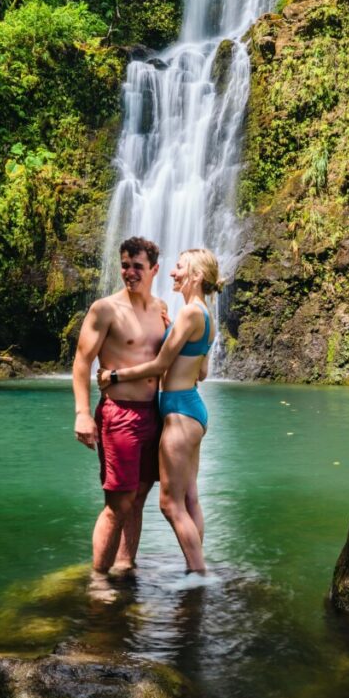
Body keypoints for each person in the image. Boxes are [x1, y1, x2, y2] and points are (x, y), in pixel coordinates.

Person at [98, 248, 222, 575]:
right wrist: (173, 333)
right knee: (190, 498)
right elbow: (203, 372)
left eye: (179, 267)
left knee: (170, 504)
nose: (172, 273)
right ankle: (196, 570)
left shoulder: (189, 315)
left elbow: (160, 364)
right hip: (192, 410)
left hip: (179, 413)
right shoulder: (204, 316)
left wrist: (115, 375)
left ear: (195, 276)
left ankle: (199, 575)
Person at [72, 236, 168, 578]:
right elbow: (82, 362)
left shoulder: (161, 310)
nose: (130, 273)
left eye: (137, 266)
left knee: (139, 496)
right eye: (125, 265)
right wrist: (82, 413)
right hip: (118, 414)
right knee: (118, 502)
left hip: (153, 414)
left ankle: (125, 564)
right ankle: (99, 577)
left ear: (154, 269)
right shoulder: (106, 309)